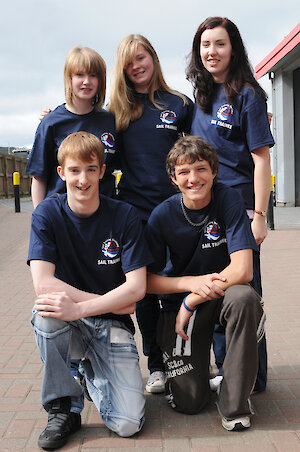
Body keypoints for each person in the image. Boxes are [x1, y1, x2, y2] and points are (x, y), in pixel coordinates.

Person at [28, 132, 152, 450]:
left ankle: (86, 376)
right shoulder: (47, 214)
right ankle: (63, 408)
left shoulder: (124, 216)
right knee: (47, 311)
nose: (83, 179)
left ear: (102, 171)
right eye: (74, 170)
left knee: (127, 424)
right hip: (74, 324)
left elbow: (137, 287)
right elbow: (43, 282)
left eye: (91, 169)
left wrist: (82, 307)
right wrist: (110, 302)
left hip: (112, 326)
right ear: (61, 173)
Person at [146, 135, 265, 431]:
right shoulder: (162, 216)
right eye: (184, 172)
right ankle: (197, 378)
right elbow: (146, 282)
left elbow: (243, 269)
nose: (193, 178)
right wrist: (187, 286)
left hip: (219, 299)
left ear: (214, 171)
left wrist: (193, 298)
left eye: (200, 169)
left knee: (244, 298)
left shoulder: (229, 199)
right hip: (179, 310)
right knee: (190, 403)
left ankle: (235, 404)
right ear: (173, 179)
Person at [186, 17, 274, 392]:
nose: (212, 52)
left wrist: (260, 215)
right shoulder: (200, 98)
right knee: (218, 291)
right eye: (206, 45)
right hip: (208, 212)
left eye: (219, 44)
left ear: (233, 49)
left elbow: (261, 159)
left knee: (245, 295)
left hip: (239, 212)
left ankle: (252, 378)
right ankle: (228, 370)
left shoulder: (248, 95)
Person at [108, 34, 194, 393]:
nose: (136, 66)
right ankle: (156, 365)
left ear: (153, 58)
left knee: (176, 288)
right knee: (143, 292)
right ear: (123, 71)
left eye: (141, 57)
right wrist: (53, 117)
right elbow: (87, 145)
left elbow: (201, 150)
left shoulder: (180, 104)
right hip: (135, 214)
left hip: (176, 213)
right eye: (129, 63)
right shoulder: (116, 112)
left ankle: (182, 360)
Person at [26, 45, 117, 208]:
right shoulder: (51, 122)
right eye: (79, 75)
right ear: (69, 79)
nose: (86, 81)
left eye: (93, 75)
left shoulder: (110, 121)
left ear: (101, 81)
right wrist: (40, 218)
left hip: (103, 216)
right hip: (61, 215)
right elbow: (39, 177)